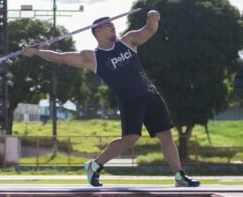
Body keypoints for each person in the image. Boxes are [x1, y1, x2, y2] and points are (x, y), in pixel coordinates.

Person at [22, 10, 200, 187]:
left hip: (151, 94)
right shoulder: (92, 57)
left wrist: (153, 18)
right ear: (97, 31)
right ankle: (94, 165)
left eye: (113, 24)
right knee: (130, 138)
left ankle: (179, 176)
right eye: (108, 25)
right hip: (130, 100)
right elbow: (58, 57)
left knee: (166, 135)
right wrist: (36, 52)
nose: (113, 27)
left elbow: (149, 30)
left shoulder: (128, 41)